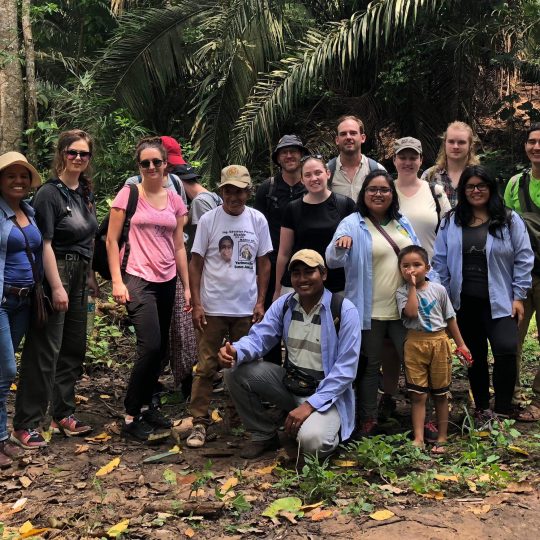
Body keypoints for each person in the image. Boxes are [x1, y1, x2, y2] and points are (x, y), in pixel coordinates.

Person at [219, 250, 361, 459]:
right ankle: (264, 434)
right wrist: (236, 351)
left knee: (313, 443)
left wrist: (310, 405)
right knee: (234, 371)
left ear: (323, 274)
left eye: (309, 272)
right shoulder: (285, 304)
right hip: (291, 384)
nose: (302, 279)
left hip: (326, 394)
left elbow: (346, 370)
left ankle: (320, 426)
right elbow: (260, 337)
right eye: (296, 273)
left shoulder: (343, 310)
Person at [12, 130, 99, 449]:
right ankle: (26, 423)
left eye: (84, 154)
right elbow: (44, 242)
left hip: (80, 273)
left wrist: (89, 278)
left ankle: (62, 412)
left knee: (74, 346)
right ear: (62, 154)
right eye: (73, 152)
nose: (78, 158)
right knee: (45, 349)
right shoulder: (49, 193)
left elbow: (88, 237)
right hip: (56, 271)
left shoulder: (84, 191)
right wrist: (56, 286)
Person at [433, 165, 533, 420]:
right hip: (464, 302)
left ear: (491, 188)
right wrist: (445, 300)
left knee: (507, 350)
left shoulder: (509, 220)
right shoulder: (450, 221)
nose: (476, 191)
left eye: (481, 186)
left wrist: (519, 296)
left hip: (499, 300)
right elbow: (440, 262)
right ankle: (481, 408)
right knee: (474, 356)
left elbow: (523, 258)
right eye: (470, 186)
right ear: (463, 190)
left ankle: (501, 408)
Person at [107, 137, 189, 442]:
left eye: (157, 161)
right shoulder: (128, 194)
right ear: (138, 166)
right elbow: (111, 240)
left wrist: (188, 287)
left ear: (165, 164)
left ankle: (148, 406)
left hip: (167, 278)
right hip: (138, 278)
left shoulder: (175, 199)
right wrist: (117, 281)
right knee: (150, 345)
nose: (152, 167)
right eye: (146, 162)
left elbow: (179, 245)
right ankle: (130, 416)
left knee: (161, 349)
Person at [326, 170, 420, 436]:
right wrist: (340, 246)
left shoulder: (402, 223)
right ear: (363, 194)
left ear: (392, 195)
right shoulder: (352, 223)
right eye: (372, 189)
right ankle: (368, 418)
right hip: (369, 311)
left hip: (404, 309)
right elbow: (331, 259)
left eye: (384, 190)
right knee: (368, 367)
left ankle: (420, 419)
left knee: (413, 364)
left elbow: (419, 257)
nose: (378, 194)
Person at [187, 165, 272, 448]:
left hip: (245, 308)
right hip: (212, 306)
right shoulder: (210, 220)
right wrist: (197, 303)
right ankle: (199, 422)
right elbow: (196, 262)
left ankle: (239, 419)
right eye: (228, 190)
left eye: (240, 190)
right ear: (221, 191)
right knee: (207, 365)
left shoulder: (257, 219)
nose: (234, 196)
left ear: (248, 191)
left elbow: (264, 262)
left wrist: (261, 301)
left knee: (243, 365)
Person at [396, 245, 469, 452]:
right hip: (414, 344)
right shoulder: (401, 292)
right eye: (406, 266)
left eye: (417, 265)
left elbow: (450, 318)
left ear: (427, 268)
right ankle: (418, 437)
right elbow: (410, 313)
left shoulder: (438, 290)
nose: (412, 270)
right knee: (418, 394)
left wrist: (461, 344)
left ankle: (442, 437)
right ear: (400, 269)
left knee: (440, 393)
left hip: (439, 342)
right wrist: (411, 287)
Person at [0, 152, 42, 465]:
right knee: (7, 371)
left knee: (4, 369)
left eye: (23, 176)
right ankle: (1, 437)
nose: (18, 181)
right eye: (11, 175)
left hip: (25, 302)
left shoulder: (28, 210)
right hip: (2, 301)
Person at [255, 135, 308, 364]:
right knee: (271, 317)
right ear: (277, 158)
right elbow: (257, 225)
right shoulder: (269, 188)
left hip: (306, 262)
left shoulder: (311, 185)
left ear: (301, 154)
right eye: (284, 152)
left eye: (294, 151)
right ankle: (271, 373)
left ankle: (301, 373)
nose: (289, 156)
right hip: (273, 260)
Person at [274, 155, 355, 300]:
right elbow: (284, 253)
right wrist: (277, 290)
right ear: (302, 180)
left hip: (336, 285)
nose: (314, 178)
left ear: (328, 174)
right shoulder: (293, 209)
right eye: (308, 175)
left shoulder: (345, 205)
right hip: (299, 284)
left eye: (318, 173)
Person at [503, 122, 540, 420]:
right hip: (522, 275)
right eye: (531, 141)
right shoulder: (516, 183)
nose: (536, 147)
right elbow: (506, 228)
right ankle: (510, 394)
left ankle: (538, 400)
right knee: (512, 335)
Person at [394, 137, 450, 260]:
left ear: (421, 160)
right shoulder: (385, 193)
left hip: (429, 272)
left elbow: (450, 233)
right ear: (394, 160)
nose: (408, 162)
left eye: (413, 158)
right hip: (393, 271)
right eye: (402, 157)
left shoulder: (436, 192)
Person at [422, 121, 480, 208]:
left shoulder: (479, 176)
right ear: (445, 143)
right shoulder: (430, 175)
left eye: (461, 142)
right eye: (451, 142)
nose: (455, 146)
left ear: (470, 145)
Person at [327, 115, 385, 202]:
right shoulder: (326, 172)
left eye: (353, 133)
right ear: (337, 140)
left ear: (362, 138)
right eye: (343, 134)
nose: (348, 137)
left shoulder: (377, 170)